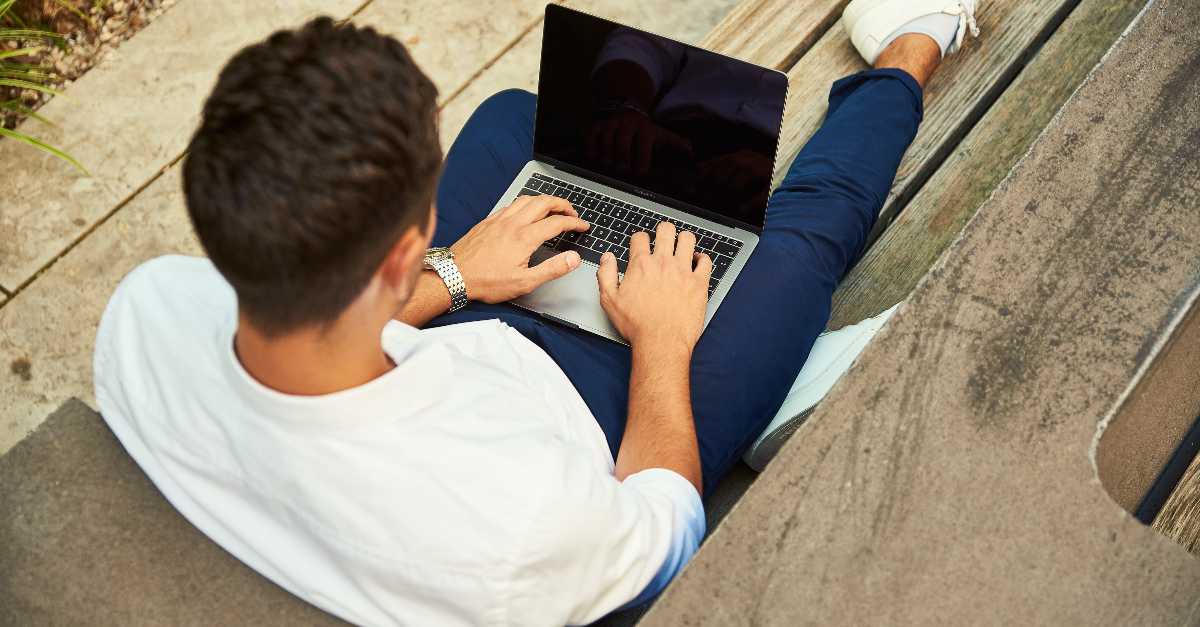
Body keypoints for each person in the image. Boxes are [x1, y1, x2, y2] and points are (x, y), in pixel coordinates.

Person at [93, 1, 979, 625]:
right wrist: (663, 342)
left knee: (517, 120)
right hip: (602, 415)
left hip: (441, 334)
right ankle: (910, 44)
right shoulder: (522, 526)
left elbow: (312, 342)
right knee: (801, 239)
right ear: (394, 249)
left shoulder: (147, 313)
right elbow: (663, 534)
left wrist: (451, 271)